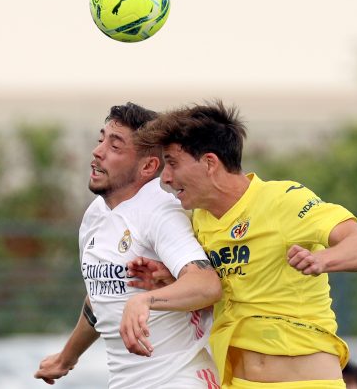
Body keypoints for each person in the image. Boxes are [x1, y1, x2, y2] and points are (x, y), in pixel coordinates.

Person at [127, 100, 357, 389]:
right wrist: (169, 280)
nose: (166, 177)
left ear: (210, 163)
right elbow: (217, 294)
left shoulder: (282, 200)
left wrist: (322, 260)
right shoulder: (198, 220)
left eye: (173, 163)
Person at [34, 103, 223, 388]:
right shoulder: (96, 214)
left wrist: (144, 300)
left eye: (115, 146)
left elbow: (207, 284)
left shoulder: (160, 212)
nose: (98, 152)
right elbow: (100, 300)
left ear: (148, 166)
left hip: (181, 380)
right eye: (101, 140)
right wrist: (66, 358)